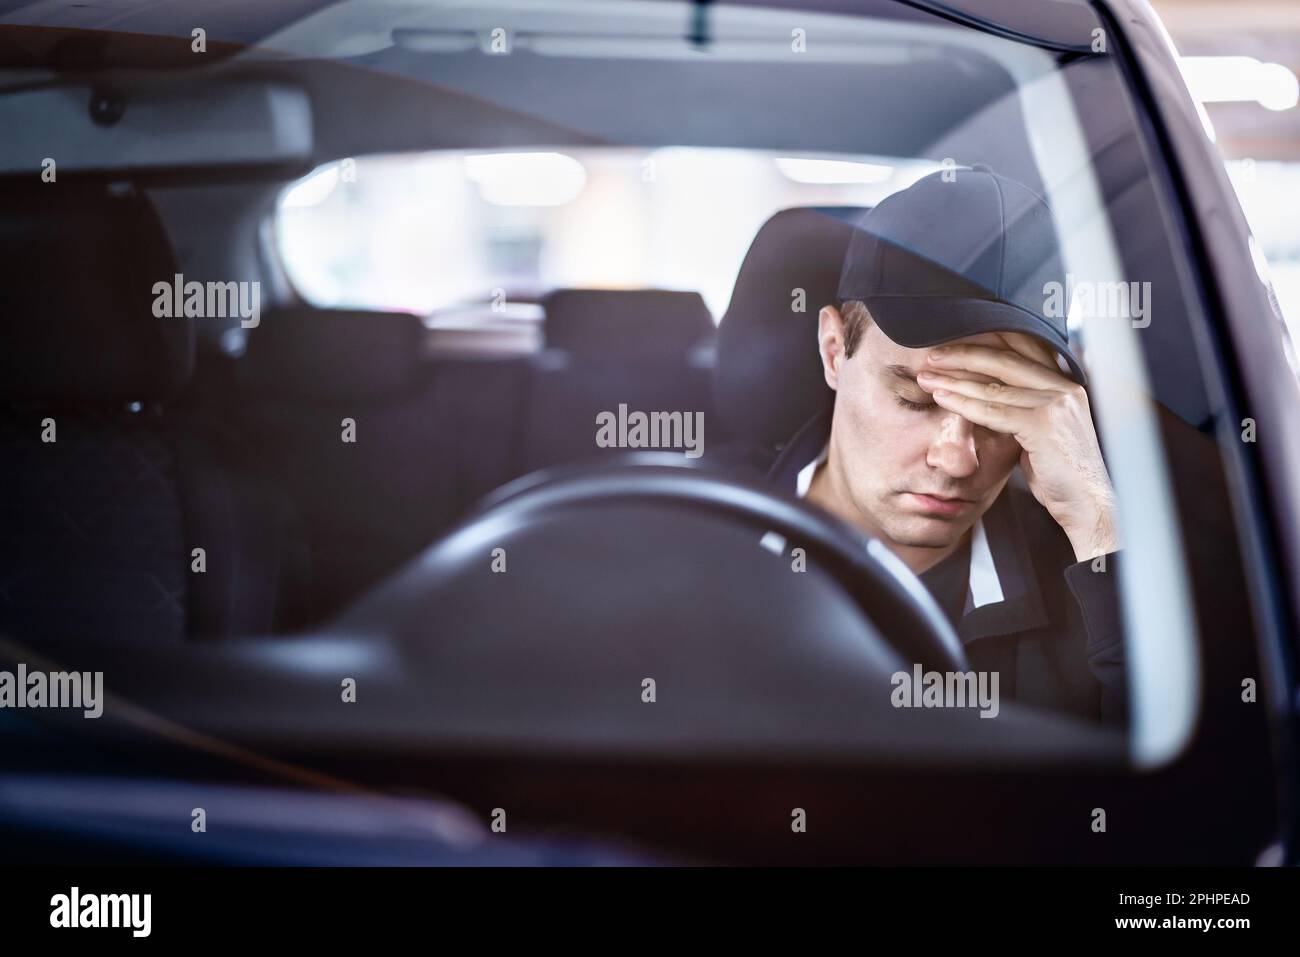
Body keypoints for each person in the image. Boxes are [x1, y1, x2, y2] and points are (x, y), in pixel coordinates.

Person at [770, 167, 1125, 723]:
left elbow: (1206, 792)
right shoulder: (691, 545)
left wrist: (1099, 526)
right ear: (835, 350)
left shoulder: (1098, 589)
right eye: (916, 398)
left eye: (1001, 407)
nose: (959, 459)